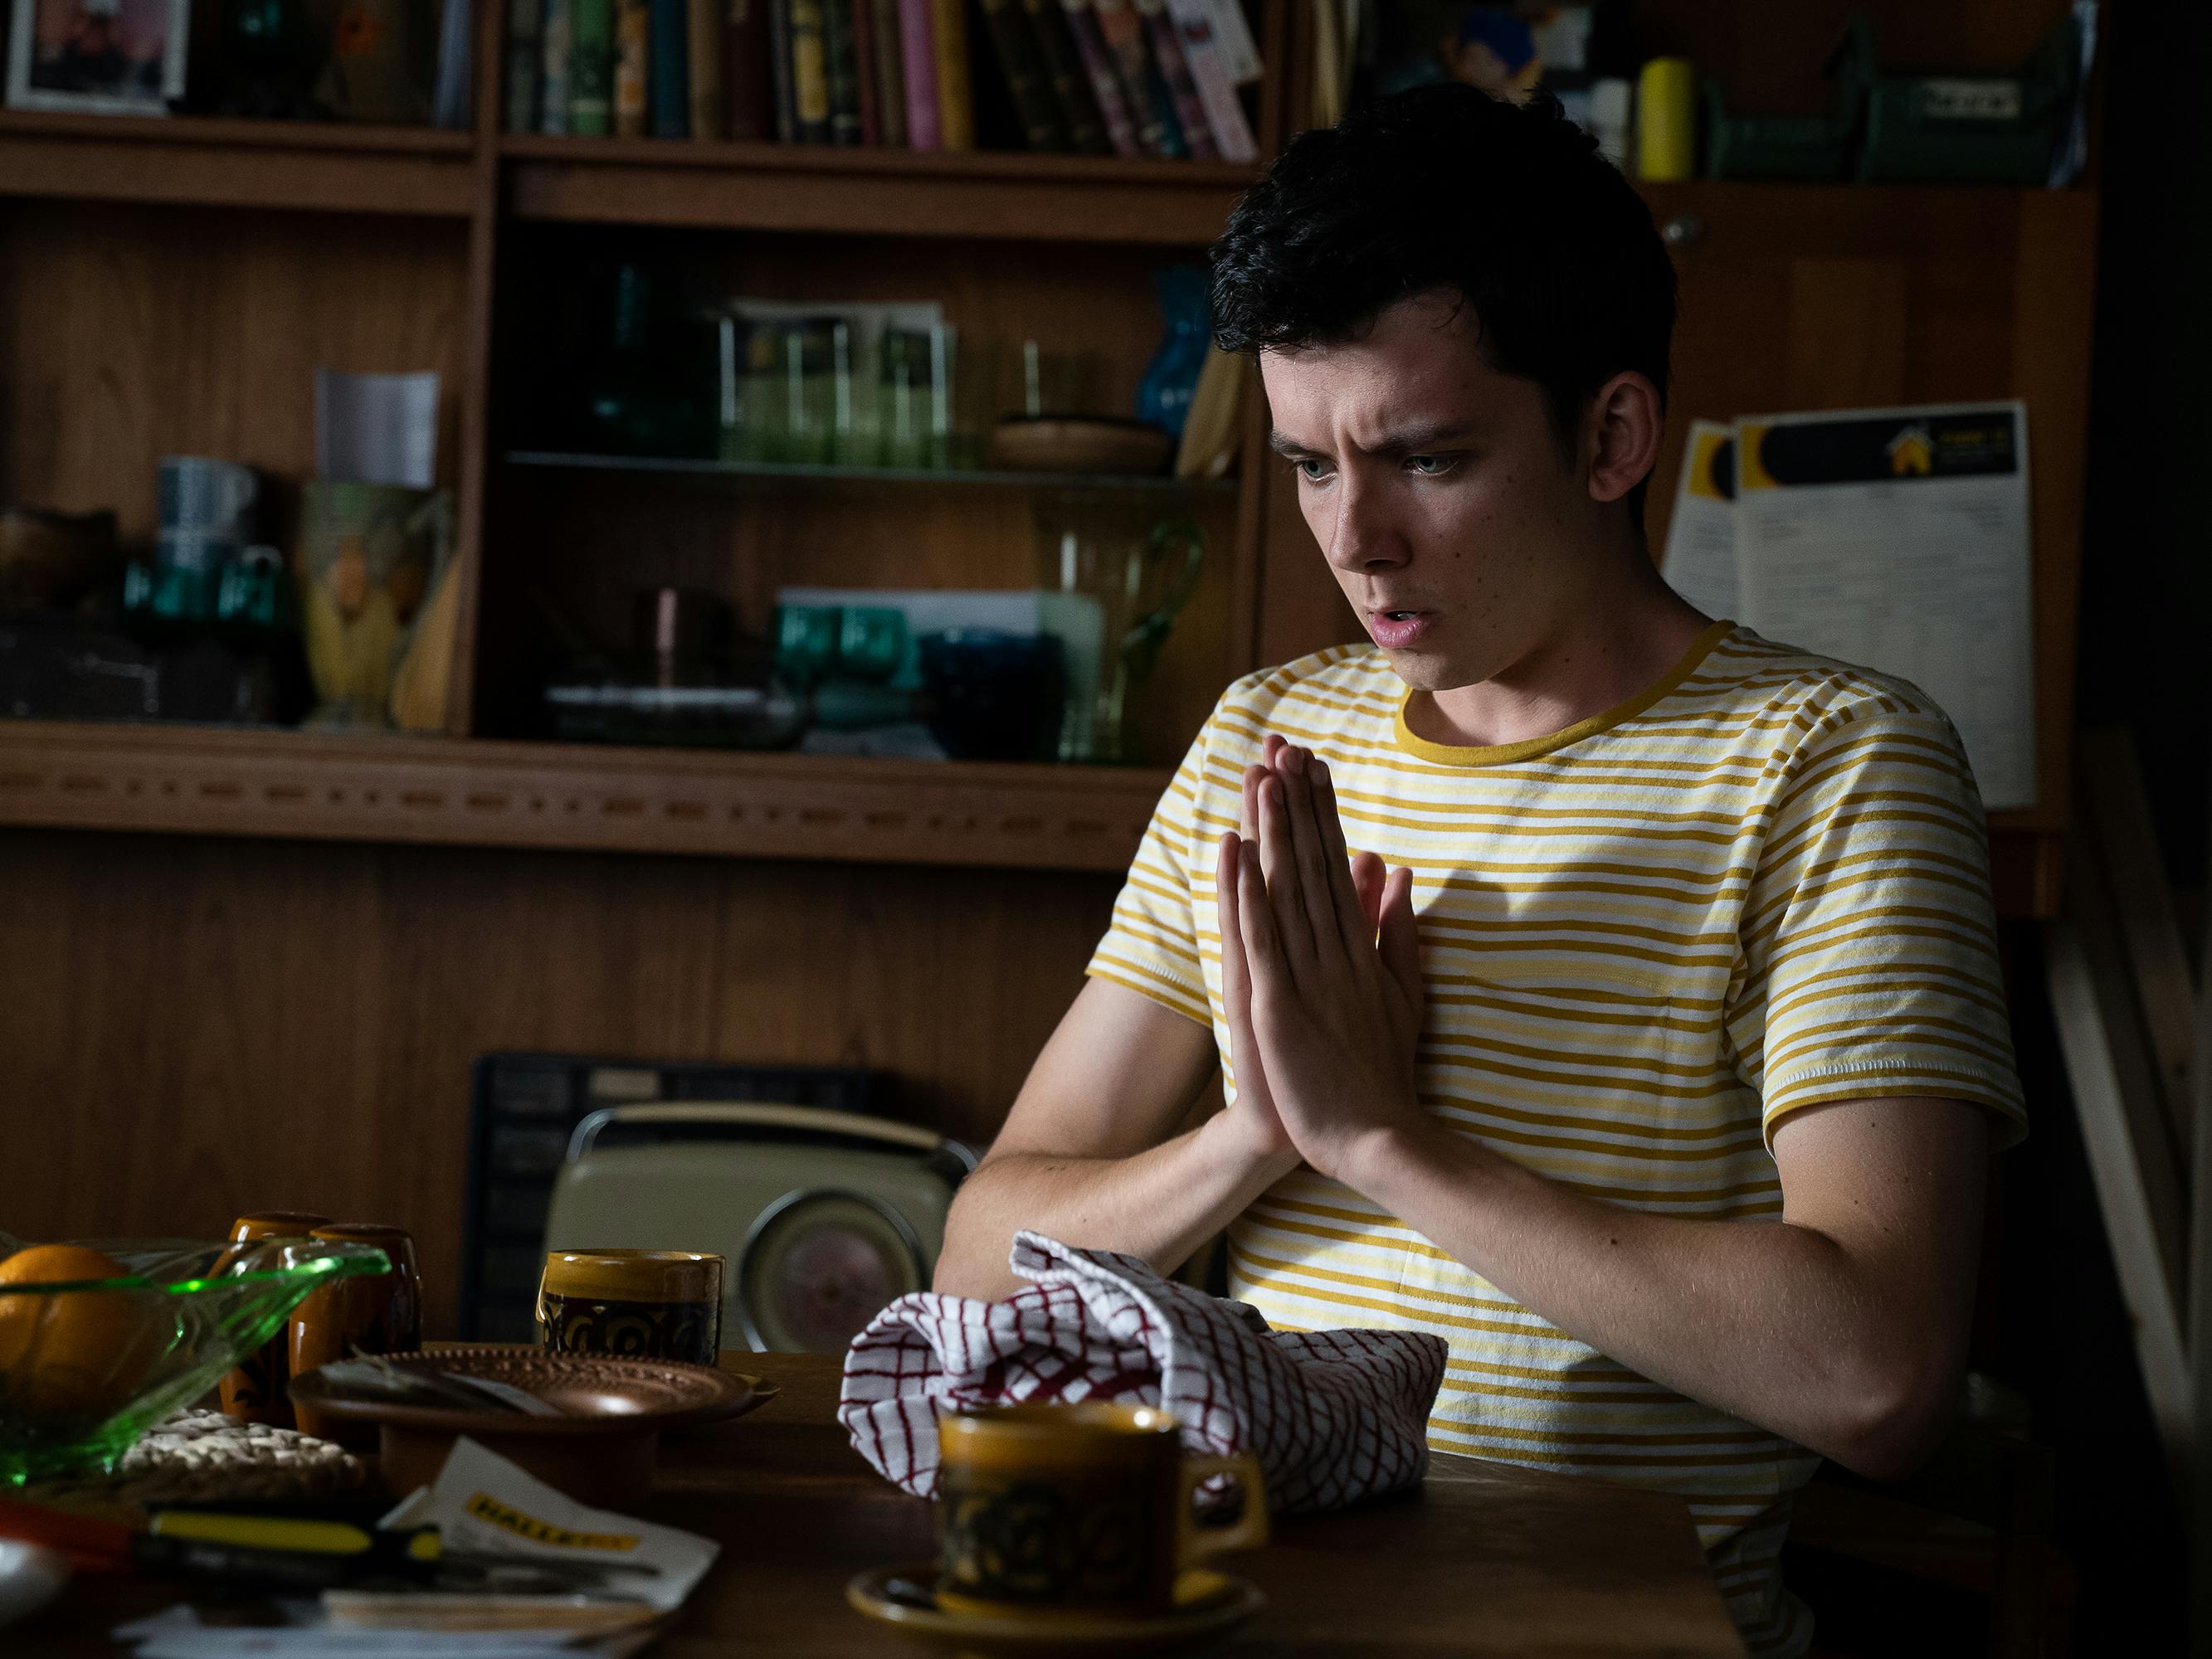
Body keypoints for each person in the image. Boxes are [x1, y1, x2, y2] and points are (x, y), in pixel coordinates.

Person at [933, 83, 2024, 1659]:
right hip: (1228, 1614)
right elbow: (979, 1264)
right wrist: (1253, 1134)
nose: (1354, 540)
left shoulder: (1834, 761)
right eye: (1310, 465)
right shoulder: (1269, 734)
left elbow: (1874, 1377)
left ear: (1610, 435)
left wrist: (1382, 1140)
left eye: (1425, 460)